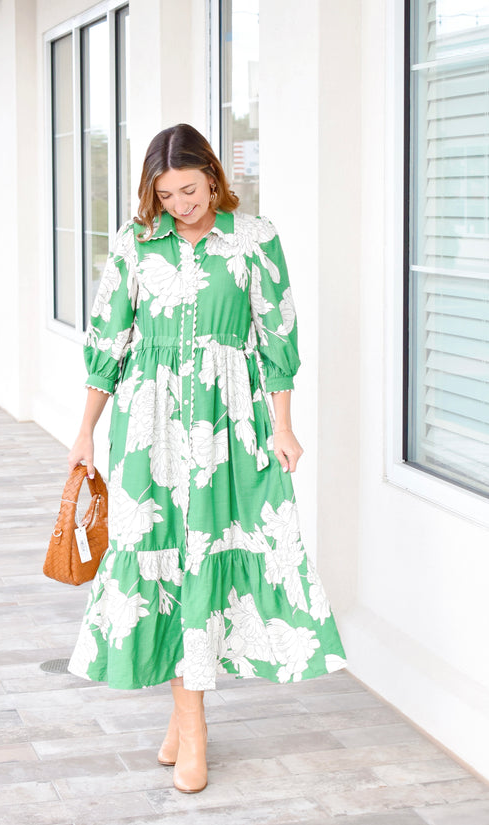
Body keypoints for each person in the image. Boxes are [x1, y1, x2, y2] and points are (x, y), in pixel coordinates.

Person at [67, 123, 347, 794]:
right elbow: (108, 341)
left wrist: (284, 425)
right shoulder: (134, 244)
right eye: (165, 195)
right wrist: (85, 432)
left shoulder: (254, 238)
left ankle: (187, 720)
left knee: (211, 556)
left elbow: (277, 332)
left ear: (214, 178)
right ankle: (188, 720)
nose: (180, 204)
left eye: (189, 190)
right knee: (163, 555)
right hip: (149, 428)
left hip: (231, 424)